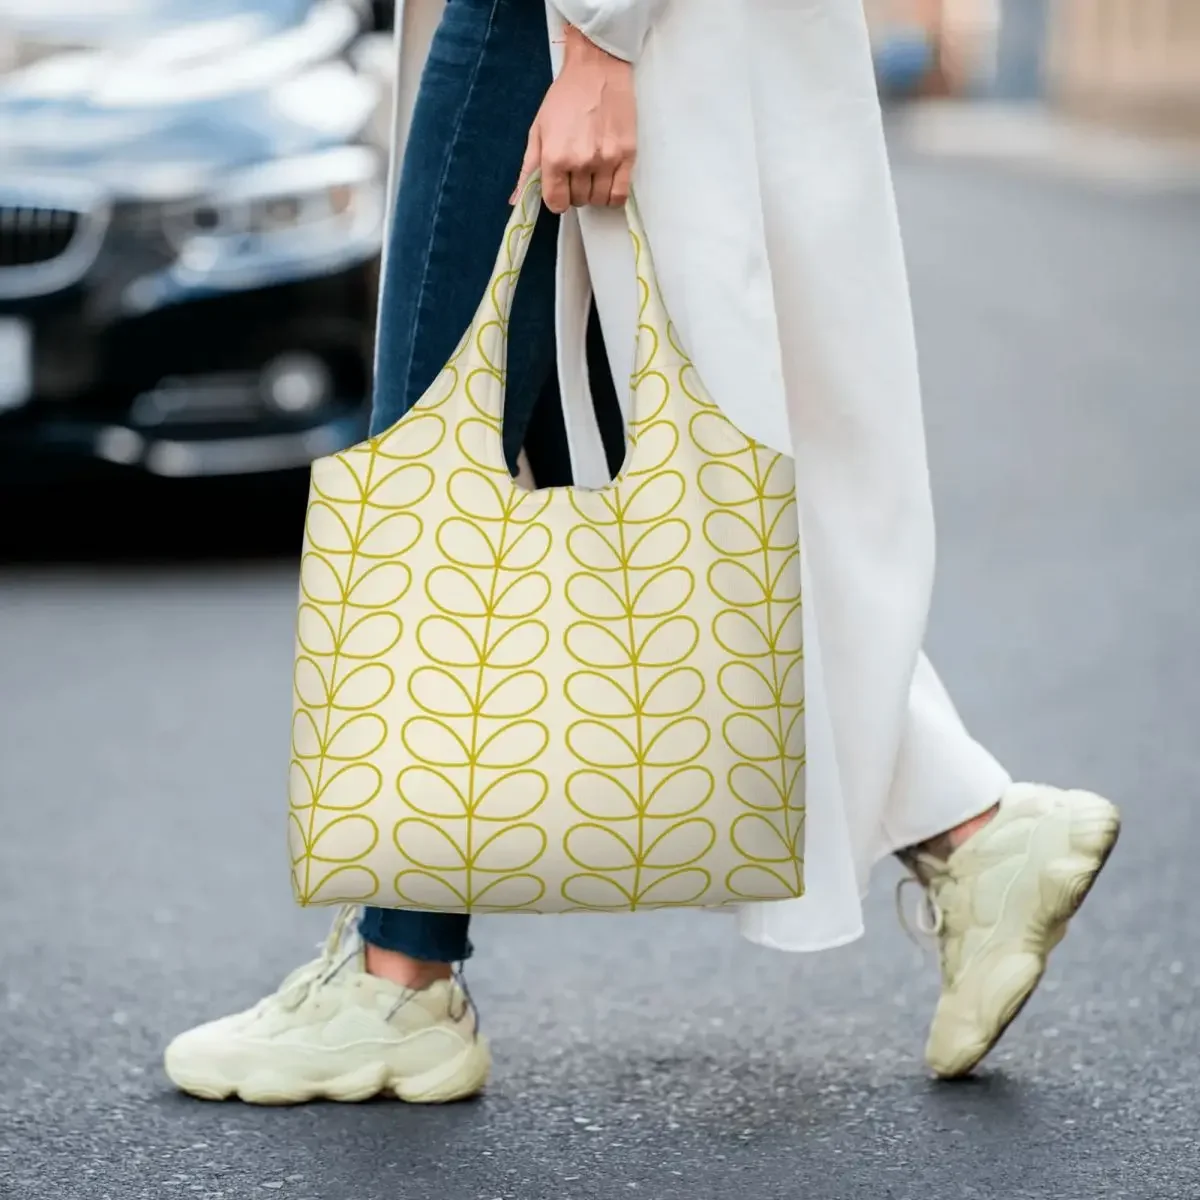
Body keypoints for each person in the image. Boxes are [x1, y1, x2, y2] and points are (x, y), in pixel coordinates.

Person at [163, 0, 1120, 1104]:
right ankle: (971, 829)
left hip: (554, 22)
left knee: (430, 449)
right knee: (606, 441)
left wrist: (600, 39)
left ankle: (396, 979)